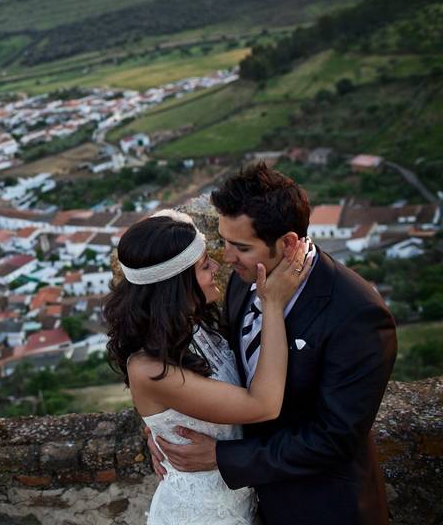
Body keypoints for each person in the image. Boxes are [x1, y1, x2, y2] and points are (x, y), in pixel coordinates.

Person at [149, 163, 398, 525]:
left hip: (320, 508)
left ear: (288, 243)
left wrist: (222, 456)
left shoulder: (356, 313)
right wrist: (161, 423)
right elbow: (217, 363)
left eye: (240, 246)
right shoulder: (242, 278)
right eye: (223, 241)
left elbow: (334, 438)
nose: (226, 257)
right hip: (248, 503)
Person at [104, 208, 310, 525]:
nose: (217, 266)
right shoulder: (148, 367)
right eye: (204, 266)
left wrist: (157, 429)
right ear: (175, 284)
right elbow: (264, 404)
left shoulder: (195, 326)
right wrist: (272, 303)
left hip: (241, 500)